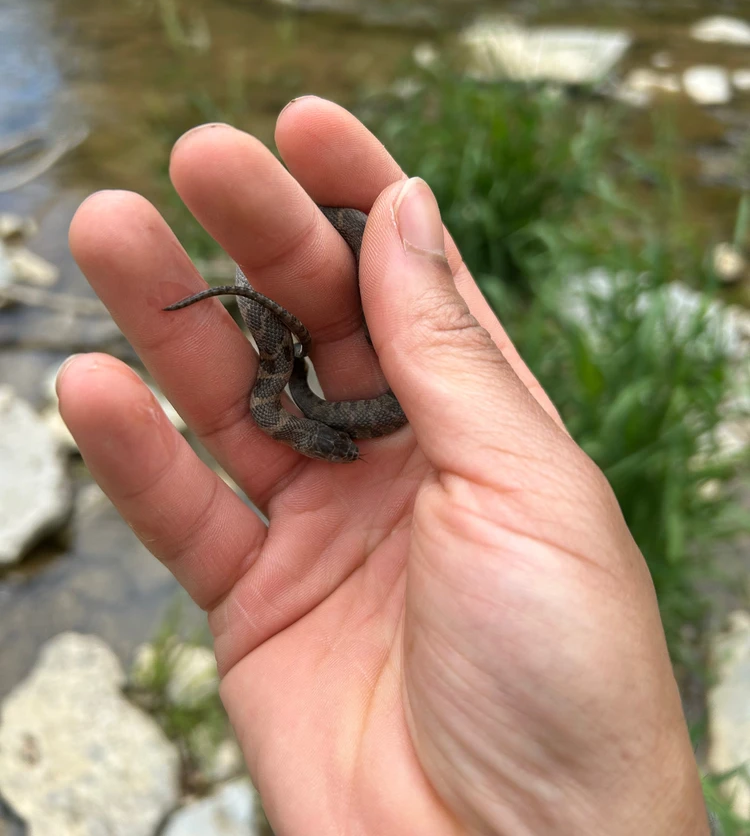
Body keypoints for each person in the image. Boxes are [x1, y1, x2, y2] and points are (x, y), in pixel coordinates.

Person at [57, 97, 714, 835]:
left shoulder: (298, 405)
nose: (346, 450)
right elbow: (287, 392)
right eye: (335, 445)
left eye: (337, 445)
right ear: (307, 435)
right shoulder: (286, 407)